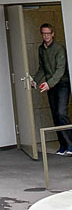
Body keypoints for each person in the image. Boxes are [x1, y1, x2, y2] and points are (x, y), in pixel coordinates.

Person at [32, 24, 72, 155]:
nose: (46, 36)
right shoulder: (41, 49)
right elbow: (42, 67)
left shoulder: (59, 48)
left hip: (62, 84)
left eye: (48, 33)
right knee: (55, 115)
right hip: (51, 85)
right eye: (43, 33)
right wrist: (35, 81)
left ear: (53, 34)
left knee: (62, 113)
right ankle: (63, 145)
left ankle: (70, 145)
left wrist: (49, 83)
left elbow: (61, 70)